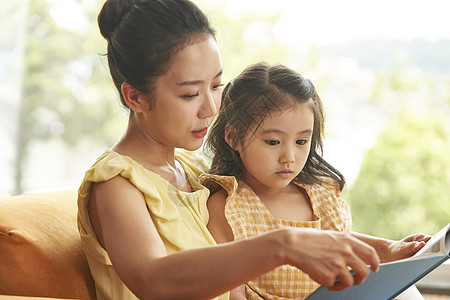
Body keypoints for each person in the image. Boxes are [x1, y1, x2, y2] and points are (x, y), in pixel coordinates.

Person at [77, 0, 396, 299]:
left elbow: (265, 218)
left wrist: (388, 251)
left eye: (216, 86)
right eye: (190, 95)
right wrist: (282, 245)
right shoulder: (117, 183)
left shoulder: (194, 171)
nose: (210, 108)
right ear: (135, 98)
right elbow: (151, 279)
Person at [199, 62, 431, 299]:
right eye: (272, 142)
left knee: (406, 292)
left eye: (301, 142)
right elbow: (230, 289)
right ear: (233, 137)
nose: (288, 157)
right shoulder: (228, 208)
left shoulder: (319, 194)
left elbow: (341, 242)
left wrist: (389, 249)